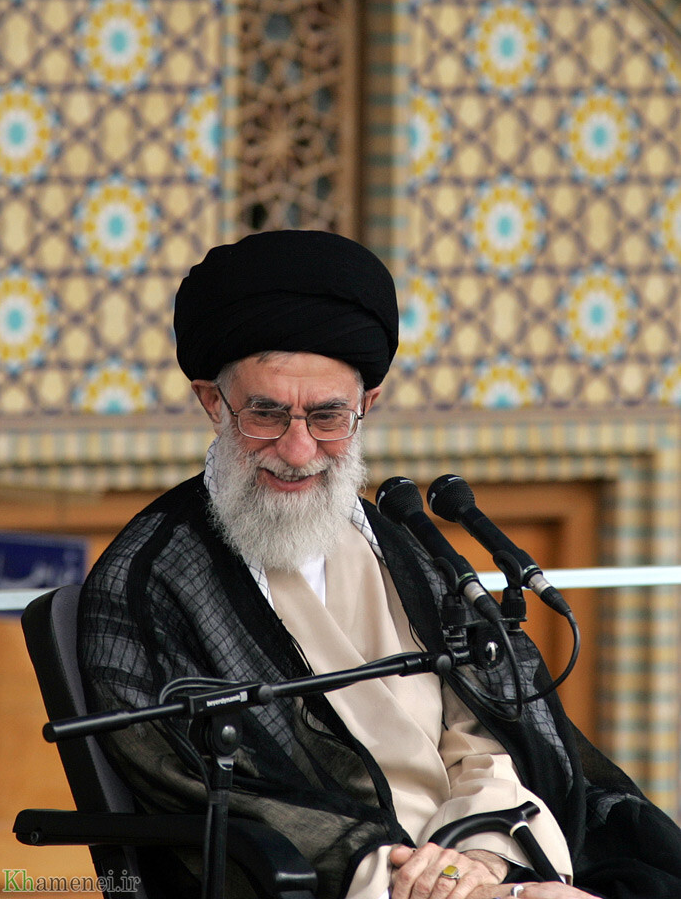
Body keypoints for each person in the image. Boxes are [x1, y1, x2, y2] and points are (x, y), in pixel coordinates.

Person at [78, 230, 681, 899]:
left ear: (367, 406)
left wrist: (485, 857)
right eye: (266, 414)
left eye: (327, 416)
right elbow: (207, 795)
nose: (298, 449)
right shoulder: (150, 581)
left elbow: (482, 727)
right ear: (212, 403)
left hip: (481, 854)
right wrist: (441, 884)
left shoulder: (395, 541)